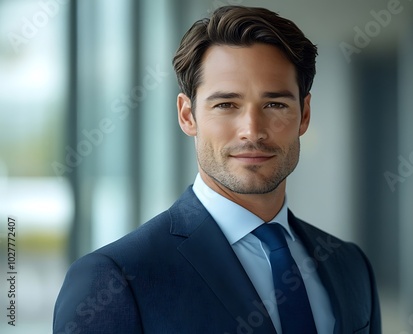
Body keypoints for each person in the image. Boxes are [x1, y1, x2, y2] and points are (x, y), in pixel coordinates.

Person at [53, 5, 381, 334]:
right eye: (226, 105)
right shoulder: (115, 278)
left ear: (304, 115)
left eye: (275, 104)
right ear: (187, 115)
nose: (252, 131)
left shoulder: (351, 266)